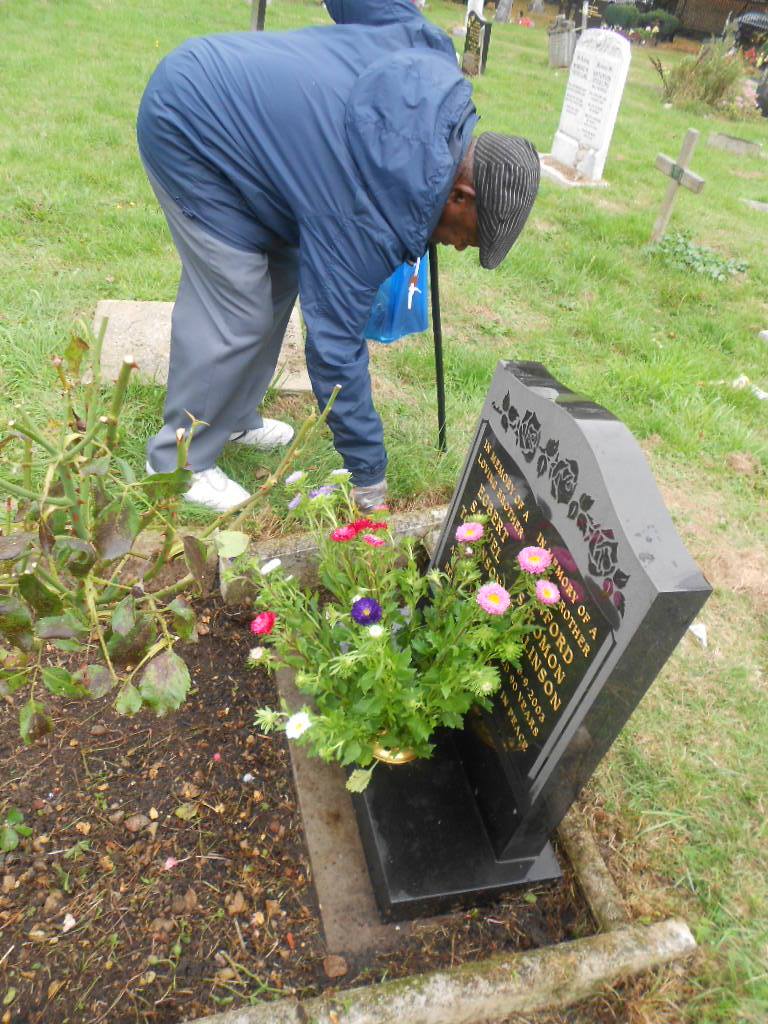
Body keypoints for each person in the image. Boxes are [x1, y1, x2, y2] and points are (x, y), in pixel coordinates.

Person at [137, 0, 540, 512]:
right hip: (193, 122)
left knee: (281, 275)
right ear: (461, 196)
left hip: (251, 135)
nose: (459, 247)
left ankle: (232, 416)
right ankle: (178, 463)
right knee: (238, 306)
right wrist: (368, 476)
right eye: (470, 238)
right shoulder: (367, 213)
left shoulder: (429, 54)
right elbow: (335, 347)